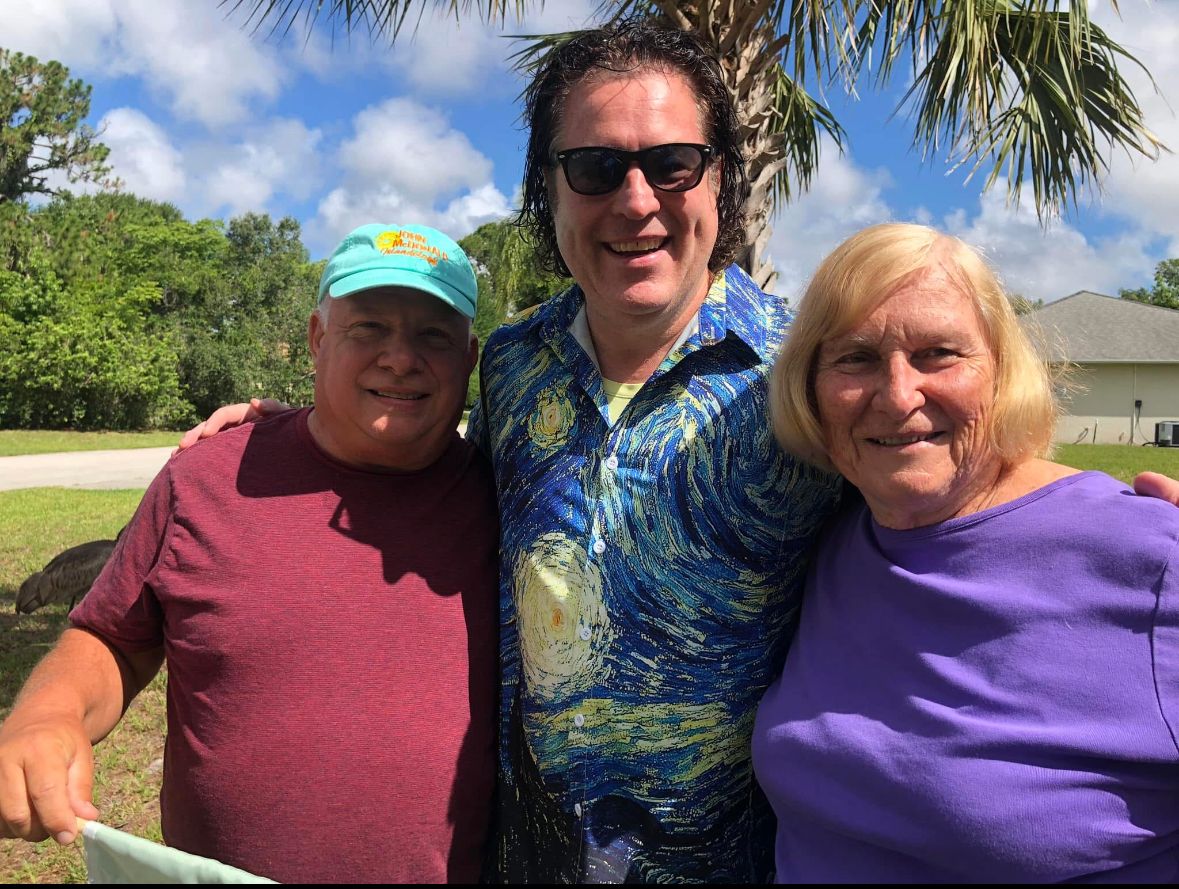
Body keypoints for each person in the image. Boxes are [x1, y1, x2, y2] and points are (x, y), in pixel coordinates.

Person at [0, 223, 499, 884]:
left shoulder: (513, 502)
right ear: (318, 338)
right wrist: (48, 712)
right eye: (369, 327)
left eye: (433, 335)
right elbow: (112, 637)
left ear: (468, 357)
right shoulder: (206, 479)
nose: (401, 357)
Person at [752, 222, 1179, 883]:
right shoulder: (828, 542)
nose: (898, 395)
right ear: (809, 388)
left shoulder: (1150, 561)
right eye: (856, 358)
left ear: (1001, 372)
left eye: (938, 354)